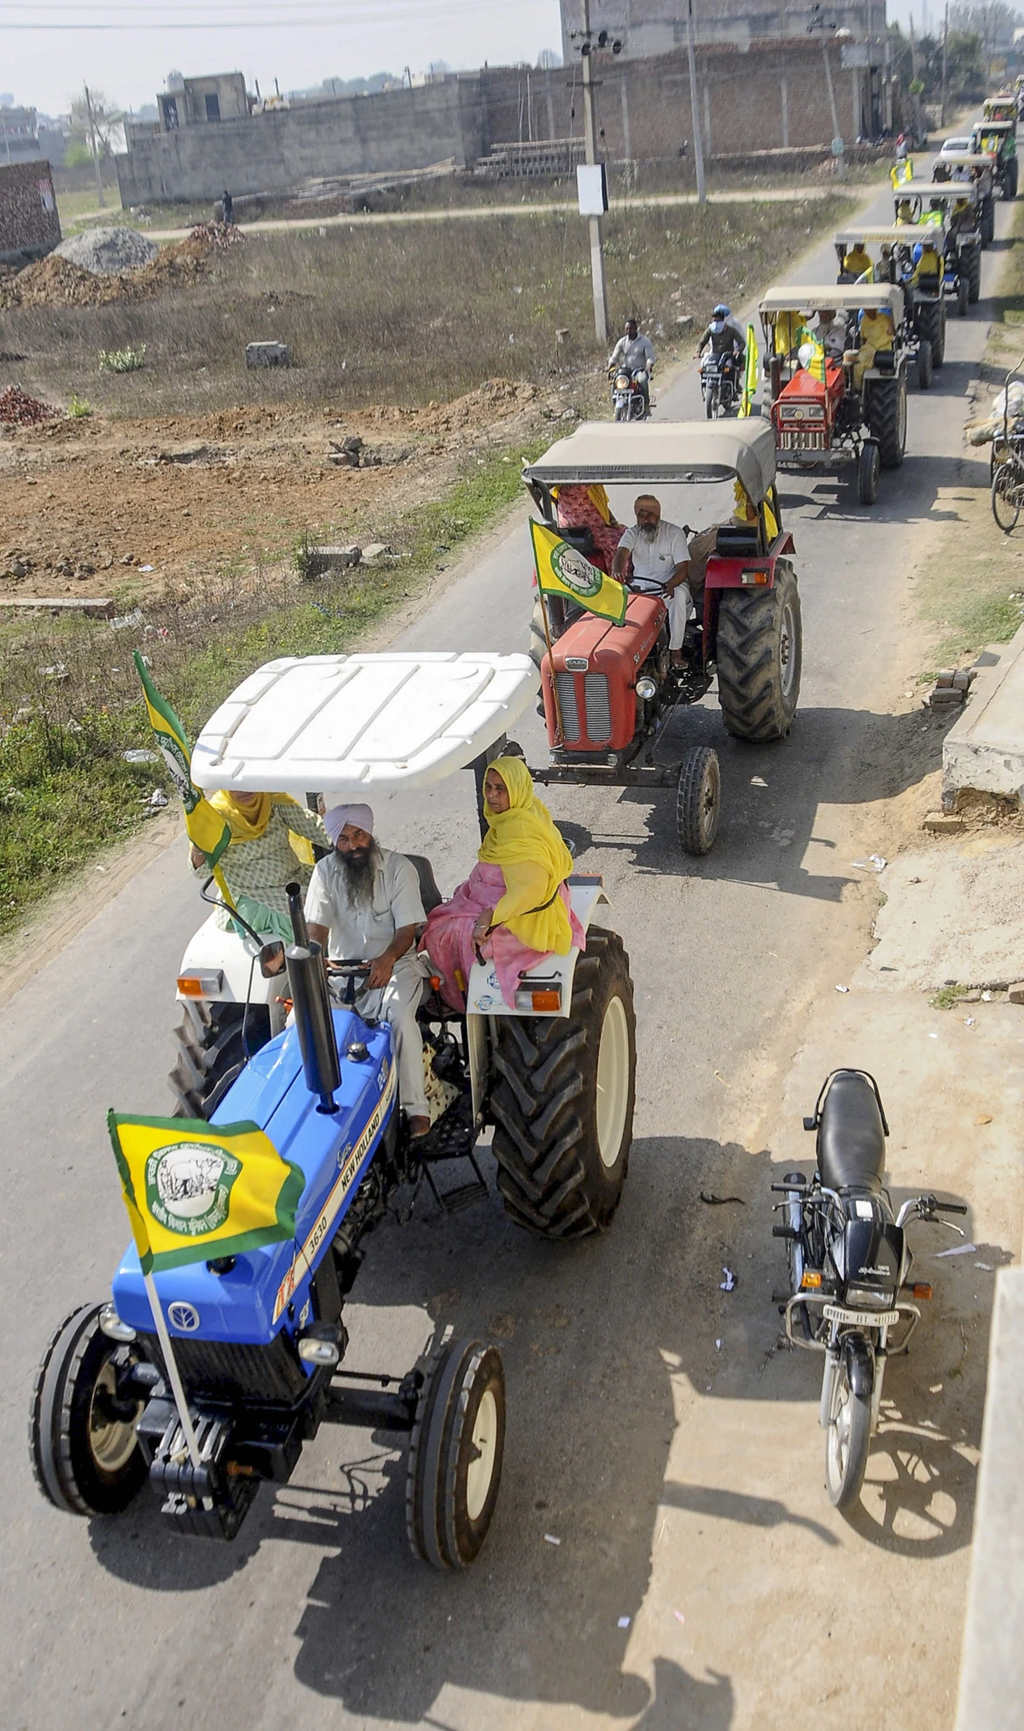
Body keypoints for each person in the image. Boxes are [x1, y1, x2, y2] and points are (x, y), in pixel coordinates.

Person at [304, 803, 431, 1137]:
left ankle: (415, 1109)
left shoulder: (398, 869)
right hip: (341, 975)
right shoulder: (324, 872)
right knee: (302, 1023)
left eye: (358, 835)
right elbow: (315, 928)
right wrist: (316, 958)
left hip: (396, 965)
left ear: (369, 833)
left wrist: (387, 959)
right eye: (343, 839)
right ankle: (315, 1107)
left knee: (399, 1016)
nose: (352, 845)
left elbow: (407, 931)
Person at [420, 758, 584, 1015]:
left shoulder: (521, 829)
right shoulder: (515, 814)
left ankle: (457, 999)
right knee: (441, 916)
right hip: (501, 896)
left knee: (447, 933)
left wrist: (489, 917)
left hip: (525, 915)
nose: (492, 796)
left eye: (501, 789)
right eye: (488, 787)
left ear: (516, 789)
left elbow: (529, 891)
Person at [189, 789, 325, 940]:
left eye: (248, 782)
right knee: (307, 920)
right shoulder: (215, 816)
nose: (245, 790)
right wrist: (199, 844)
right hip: (251, 896)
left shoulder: (272, 800)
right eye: (234, 785)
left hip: (295, 877)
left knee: (337, 885)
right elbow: (200, 872)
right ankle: (316, 960)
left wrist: (345, 836)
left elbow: (311, 825)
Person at [612, 495, 692, 666]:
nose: (646, 519)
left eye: (650, 515)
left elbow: (683, 568)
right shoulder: (632, 533)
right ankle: (620, 651)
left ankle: (675, 651)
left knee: (678, 597)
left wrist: (672, 583)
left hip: (669, 586)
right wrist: (617, 570)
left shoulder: (674, 533)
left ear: (658, 514)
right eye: (641, 515)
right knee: (614, 598)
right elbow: (621, 554)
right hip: (640, 588)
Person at [552, 482, 623, 573]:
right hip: (584, 534)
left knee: (626, 533)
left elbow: (602, 505)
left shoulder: (590, 489)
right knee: (621, 544)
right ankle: (619, 577)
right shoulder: (575, 488)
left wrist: (613, 522)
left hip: (595, 527)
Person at [607, 317, 656, 414]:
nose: (628, 331)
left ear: (636, 328)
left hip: (639, 370)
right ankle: (615, 405)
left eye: (630, 328)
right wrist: (610, 366)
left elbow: (650, 357)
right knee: (614, 382)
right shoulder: (622, 342)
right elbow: (614, 356)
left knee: (642, 381)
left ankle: (646, 405)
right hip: (626, 371)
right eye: (627, 329)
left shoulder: (644, 341)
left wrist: (649, 365)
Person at [852, 304, 896, 391]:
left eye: (870, 309)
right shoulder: (864, 320)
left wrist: (892, 327)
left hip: (883, 349)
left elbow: (892, 332)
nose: (868, 311)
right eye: (866, 310)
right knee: (851, 362)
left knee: (859, 364)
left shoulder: (884, 319)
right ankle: (855, 387)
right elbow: (862, 339)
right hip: (868, 349)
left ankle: (858, 389)